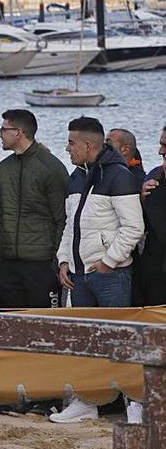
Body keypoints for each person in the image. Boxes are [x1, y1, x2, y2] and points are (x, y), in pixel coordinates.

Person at [51, 116, 145, 425]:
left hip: (110, 275)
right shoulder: (76, 176)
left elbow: (133, 228)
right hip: (79, 276)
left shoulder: (119, 175)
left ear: (89, 145)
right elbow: (70, 225)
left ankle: (135, 404)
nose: (67, 148)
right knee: (86, 342)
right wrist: (64, 260)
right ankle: (86, 402)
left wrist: (109, 262)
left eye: (71, 143)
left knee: (120, 340)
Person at [0, 109, 69, 309]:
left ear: (18, 132)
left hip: (41, 264)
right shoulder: (3, 169)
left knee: (46, 325)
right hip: (7, 265)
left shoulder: (51, 168)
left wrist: (57, 261)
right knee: (11, 325)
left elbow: (63, 218)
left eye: (3, 129)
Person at [139, 126, 166, 306]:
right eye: (160, 144)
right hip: (155, 271)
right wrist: (141, 199)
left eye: (165, 145)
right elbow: (142, 224)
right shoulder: (155, 176)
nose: (160, 150)